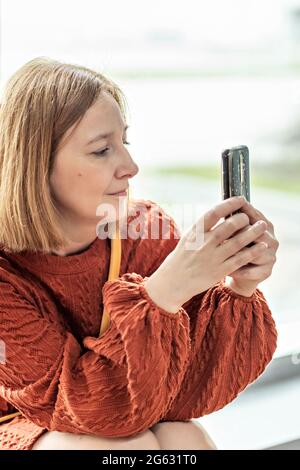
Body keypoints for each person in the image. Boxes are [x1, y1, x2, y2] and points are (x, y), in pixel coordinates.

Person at [0, 57, 279, 450]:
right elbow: (89, 409)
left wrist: (240, 286)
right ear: (35, 165)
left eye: (124, 143)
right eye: (102, 151)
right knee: (113, 447)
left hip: (120, 415)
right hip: (21, 420)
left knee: (184, 436)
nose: (130, 167)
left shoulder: (146, 230)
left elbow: (188, 395)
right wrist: (161, 296)